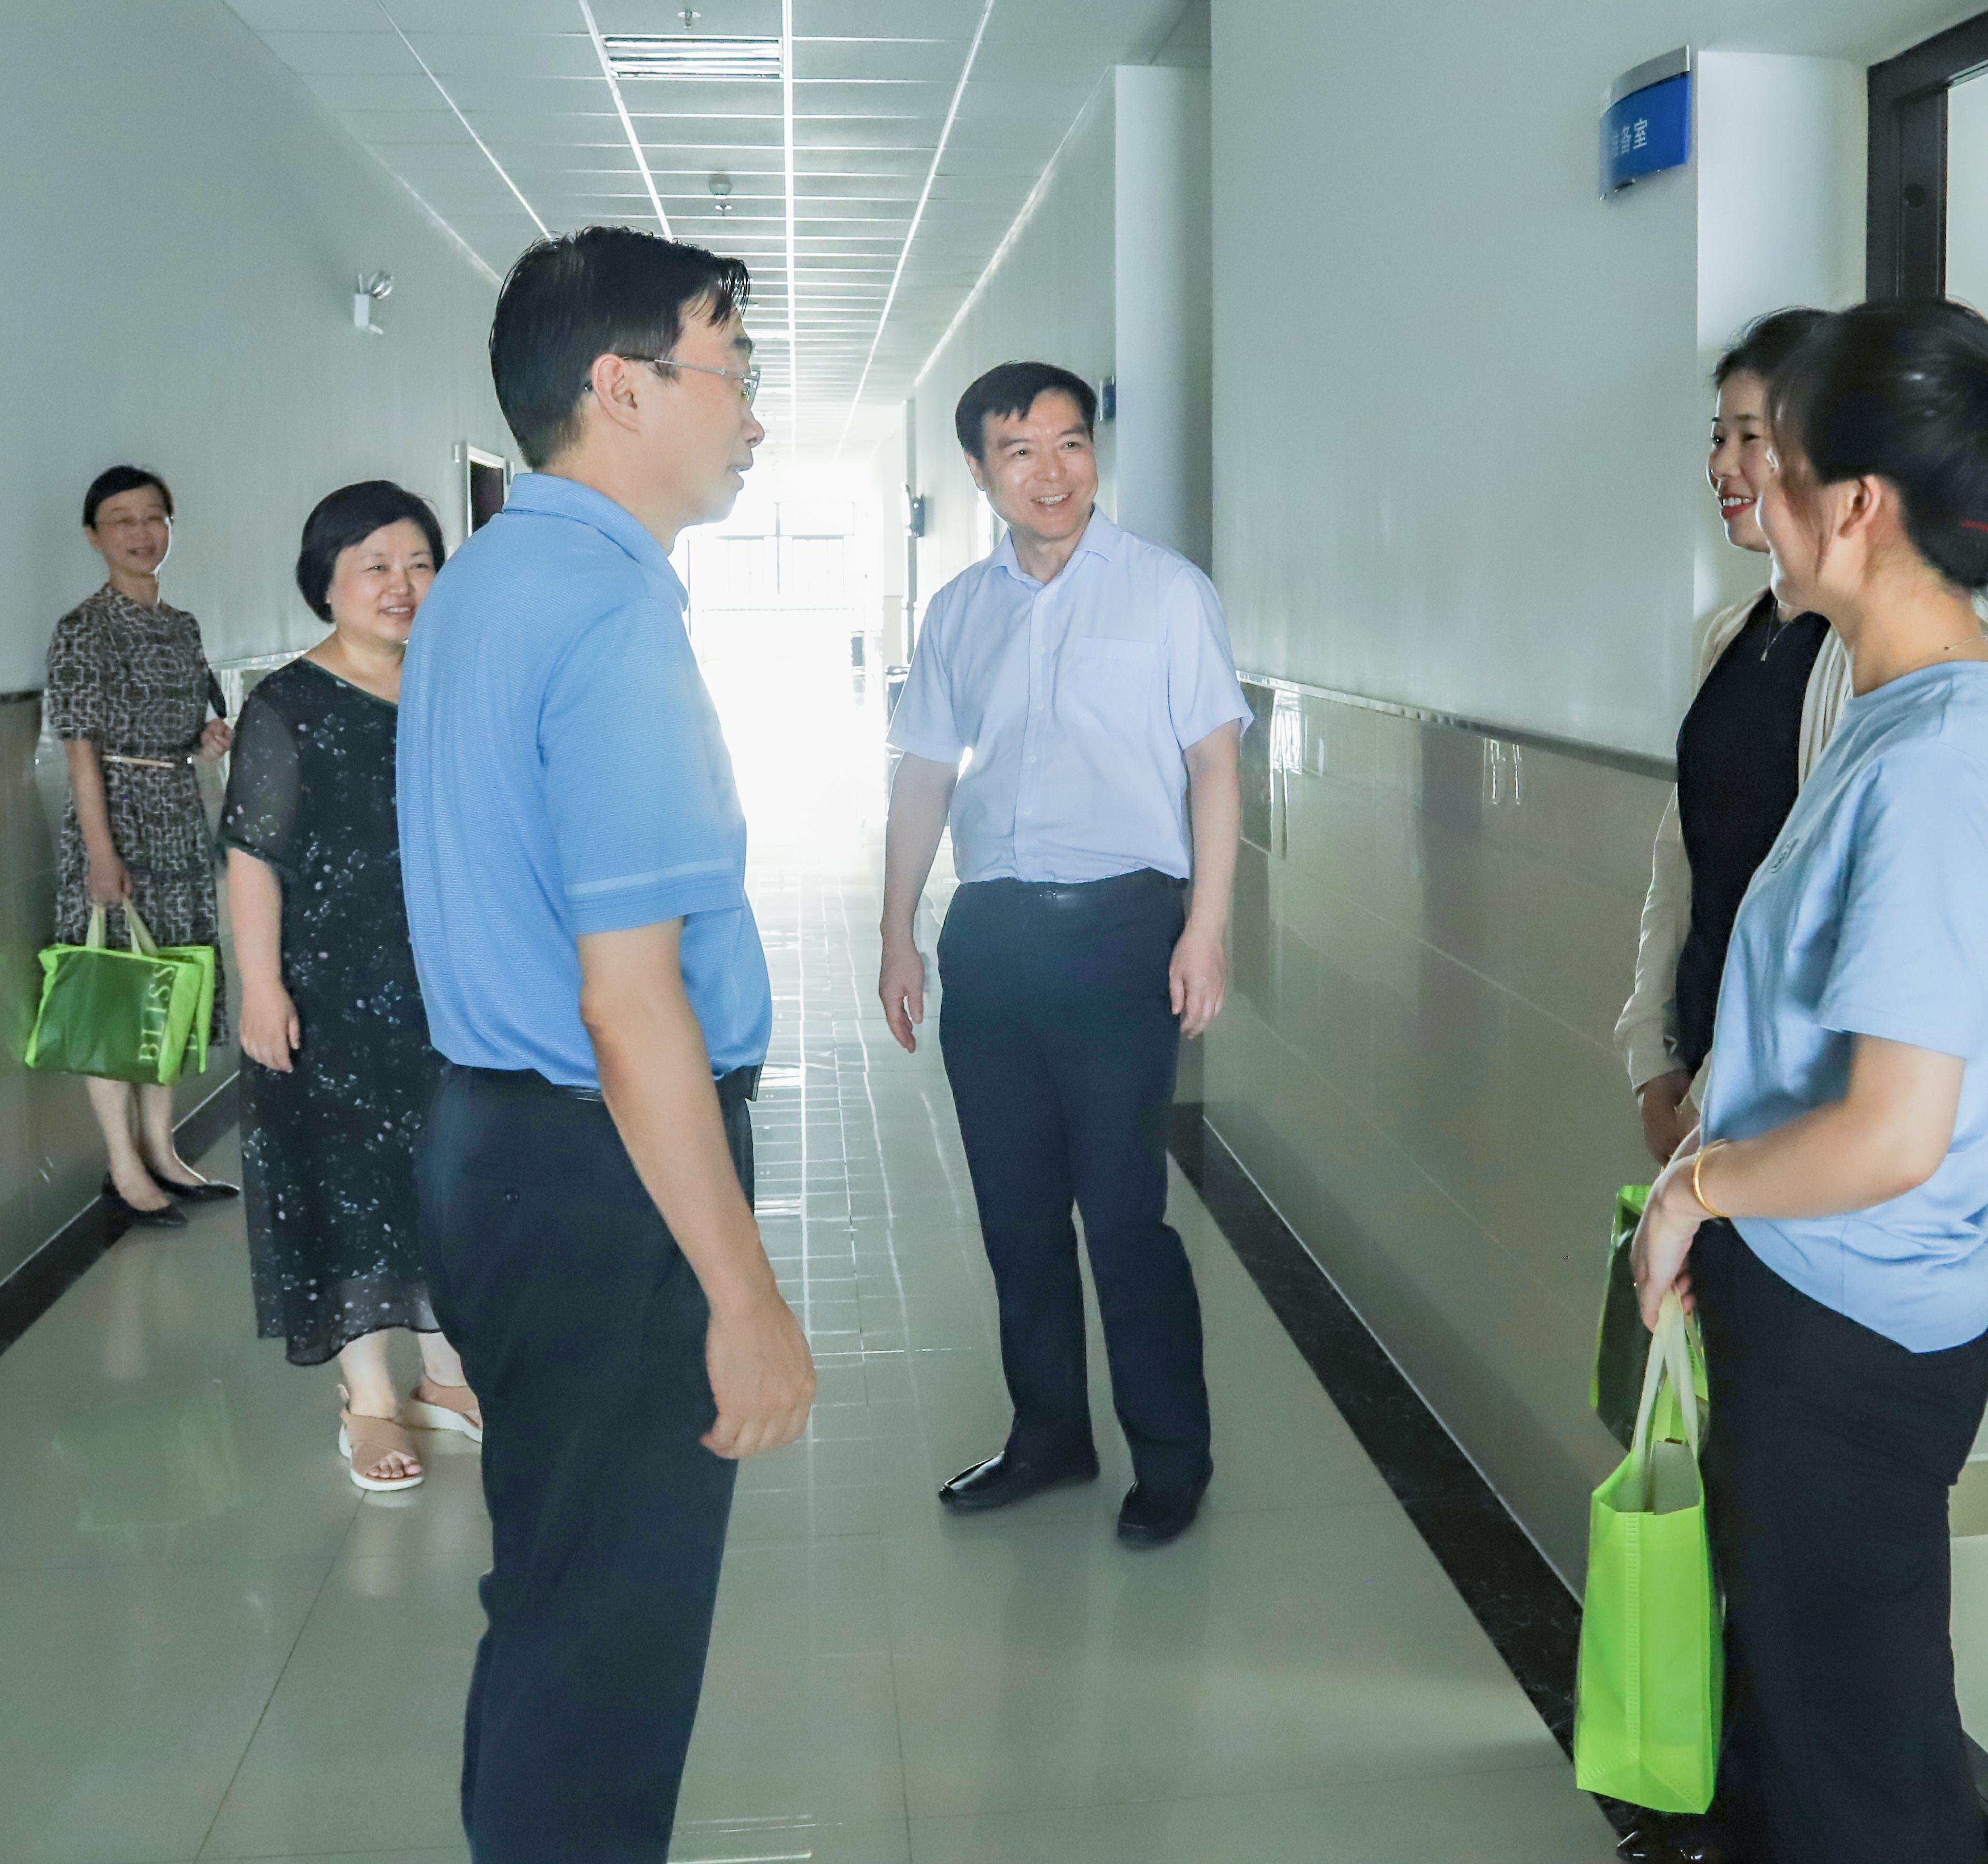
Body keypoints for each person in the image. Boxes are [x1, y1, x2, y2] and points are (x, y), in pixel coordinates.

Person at [1628, 299, 1988, 1863]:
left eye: (1780, 457)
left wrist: (1692, 1195)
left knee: (1862, 1782)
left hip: (1850, 1328)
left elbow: (1894, 1131)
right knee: (1812, 1727)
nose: (1749, 482)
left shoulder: (1936, 768)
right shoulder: (1897, 719)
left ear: (1859, 505)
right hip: (1821, 1302)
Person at [397, 225, 815, 1862]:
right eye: (734, 372)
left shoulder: (484, 583)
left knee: (555, 1593)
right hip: (602, 1177)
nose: (754, 416)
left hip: (496, 1151)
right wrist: (745, 1299)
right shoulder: (611, 619)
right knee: (613, 1640)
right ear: (620, 387)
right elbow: (630, 1004)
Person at [878, 361, 1249, 1549]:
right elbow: (924, 774)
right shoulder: (959, 612)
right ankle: (1049, 1434)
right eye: (1022, 450)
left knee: (1124, 1213)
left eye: (1072, 443)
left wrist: (1205, 926)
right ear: (980, 471)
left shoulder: (1166, 592)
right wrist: (897, 932)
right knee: (1016, 1211)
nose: (1053, 472)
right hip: (992, 934)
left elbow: (1214, 765)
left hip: (1122, 926)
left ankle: (1172, 1458)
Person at [1615, 309, 1988, 1161]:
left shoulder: (1911, 700)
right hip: (1727, 1103)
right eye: (1718, 437)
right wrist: (1656, 1056)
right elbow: (1685, 858)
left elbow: (1826, 941)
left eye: (1759, 443)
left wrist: (1713, 1126)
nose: (1727, 466)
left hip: (1788, 1120)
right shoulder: (1731, 637)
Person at [222, 481, 477, 1495]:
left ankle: (447, 1379)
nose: (402, 584)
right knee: (349, 1184)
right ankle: (368, 1400)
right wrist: (261, 987)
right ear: (325, 583)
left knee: (444, 1178)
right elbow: (254, 857)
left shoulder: (450, 686)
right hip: (329, 988)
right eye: (376, 566)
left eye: (419, 563)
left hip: (446, 982)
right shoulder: (287, 705)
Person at [45, 464, 235, 1231]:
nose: (141, 533)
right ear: (94, 537)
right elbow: (80, 749)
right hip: (115, 822)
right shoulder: (83, 629)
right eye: (122, 520)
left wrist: (206, 740)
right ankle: (122, 1164)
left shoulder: (182, 626)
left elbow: (189, 728)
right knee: (116, 992)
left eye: (154, 517)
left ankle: (162, 1147)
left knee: (174, 982)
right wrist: (100, 852)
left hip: (178, 818)